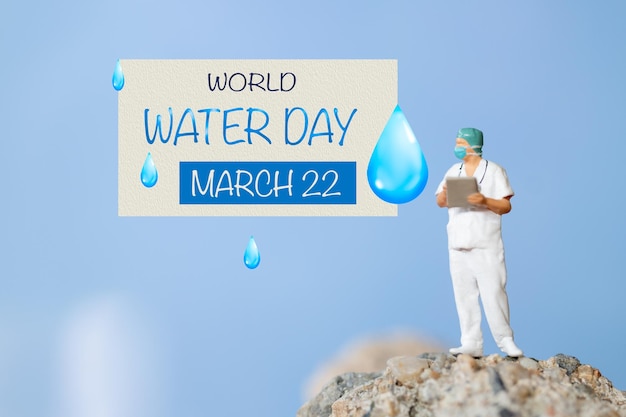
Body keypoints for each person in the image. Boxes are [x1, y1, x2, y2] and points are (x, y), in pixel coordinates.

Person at [435, 128, 523, 358]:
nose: (457, 147)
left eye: (461, 143)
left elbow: (505, 206)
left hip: (486, 243)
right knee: (464, 296)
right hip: (458, 243)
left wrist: (483, 200)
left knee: (493, 292)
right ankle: (471, 342)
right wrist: (445, 194)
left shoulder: (494, 171)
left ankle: (506, 340)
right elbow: (439, 201)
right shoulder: (454, 171)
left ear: (473, 145)